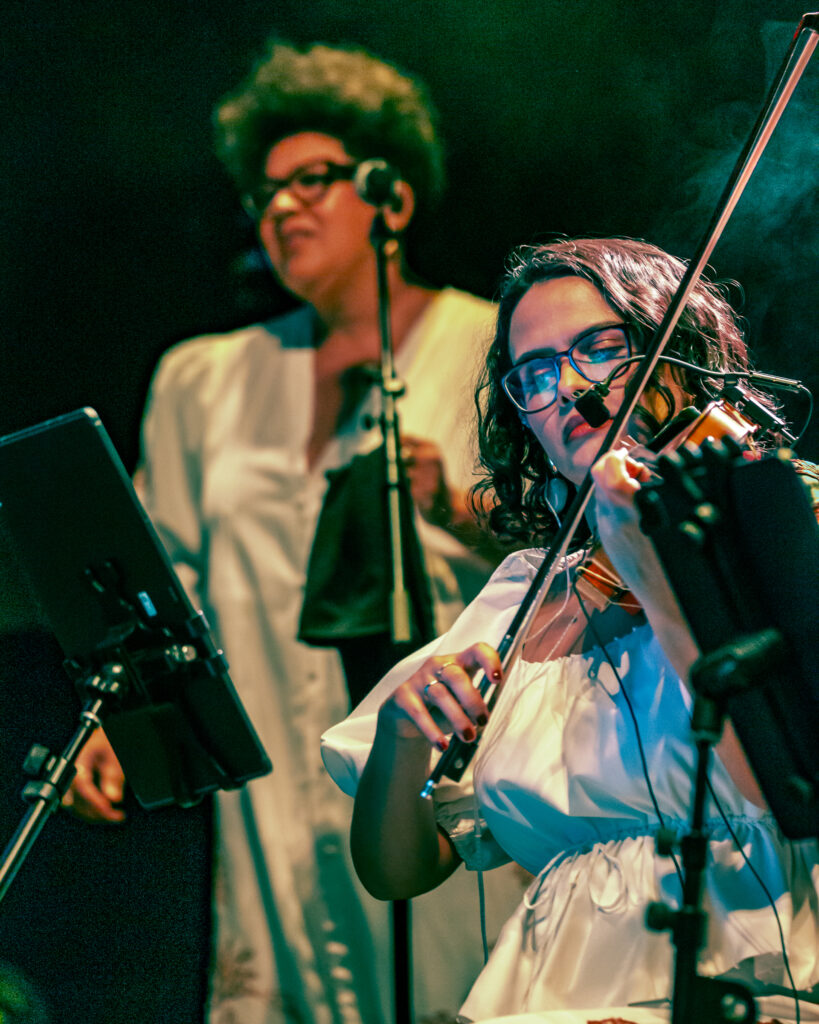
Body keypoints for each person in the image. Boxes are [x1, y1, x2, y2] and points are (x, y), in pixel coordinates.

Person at [66, 39, 526, 1024]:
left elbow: (580, 551)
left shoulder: (497, 346)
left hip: (445, 776)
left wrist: (458, 506)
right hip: (271, 796)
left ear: (390, 198)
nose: (282, 207)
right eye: (265, 191)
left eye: (313, 180)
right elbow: (167, 581)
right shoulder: (203, 378)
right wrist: (122, 720)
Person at [322, 236, 819, 1022]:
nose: (573, 387)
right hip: (544, 991)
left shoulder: (774, 537)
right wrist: (399, 738)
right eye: (537, 374)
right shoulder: (527, 589)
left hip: (748, 985)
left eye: (601, 349)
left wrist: (657, 576)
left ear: (678, 360)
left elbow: (785, 789)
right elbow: (399, 871)